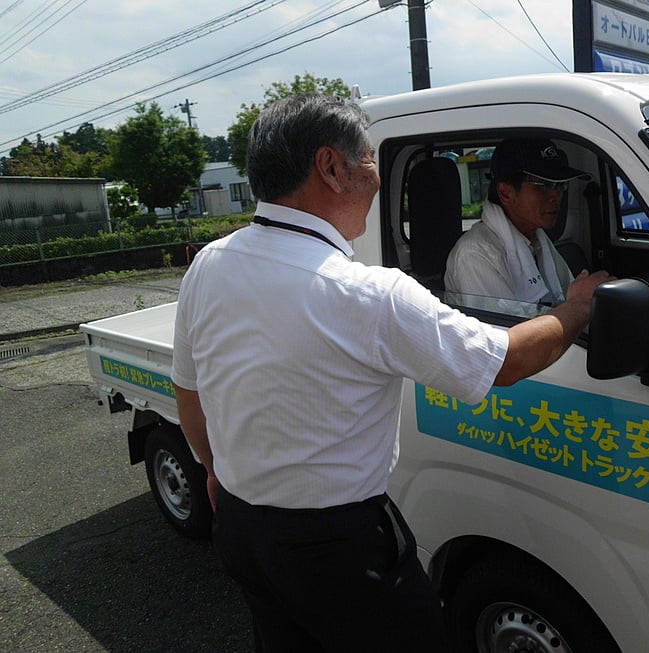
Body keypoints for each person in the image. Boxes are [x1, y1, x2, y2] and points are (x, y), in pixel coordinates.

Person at [170, 94, 612, 653]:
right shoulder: (366, 293)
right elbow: (504, 359)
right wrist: (578, 309)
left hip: (240, 527)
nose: (379, 178)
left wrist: (215, 470)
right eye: (372, 159)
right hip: (337, 548)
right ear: (332, 168)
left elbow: (188, 388)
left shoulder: (209, 263)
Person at [444, 137, 591, 306]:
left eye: (560, 185)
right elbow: (506, 331)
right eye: (543, 184)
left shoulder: (537, 239)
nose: (556, 195)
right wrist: (577, 304)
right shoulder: (476, 253)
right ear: (506, 193)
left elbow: (565, 291)